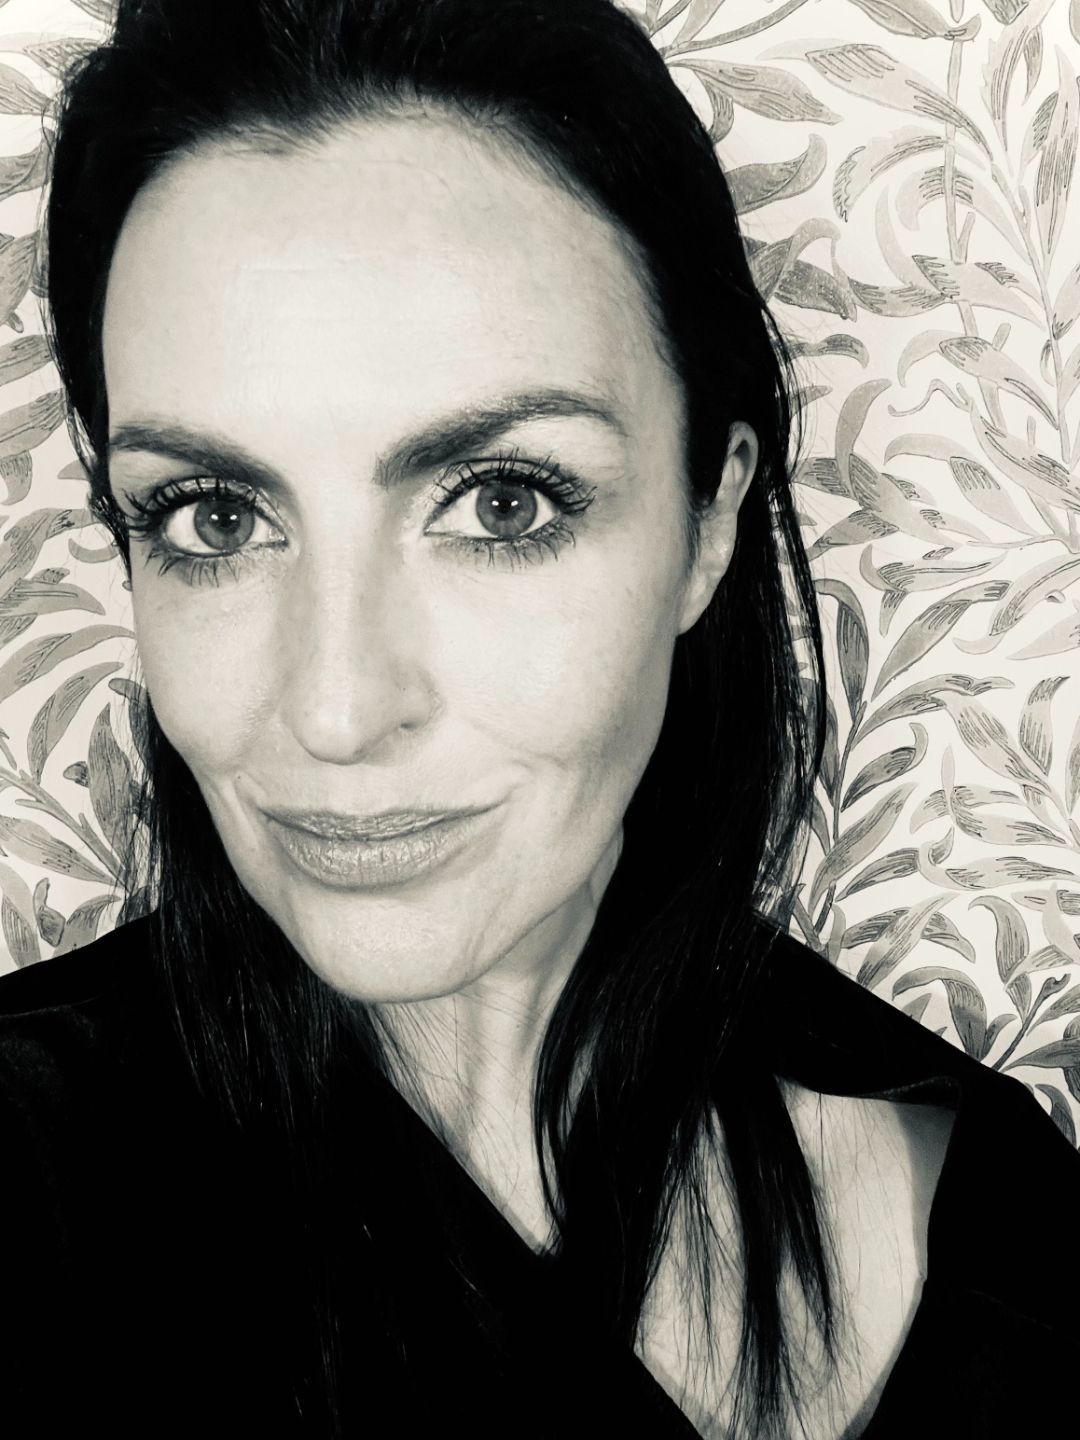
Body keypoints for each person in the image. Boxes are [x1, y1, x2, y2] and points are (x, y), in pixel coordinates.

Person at [1, 0, 1078, 1435]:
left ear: (708, 520)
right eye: (213, 515)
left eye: (504, 503)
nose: (336, 709)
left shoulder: (1002, 1235)